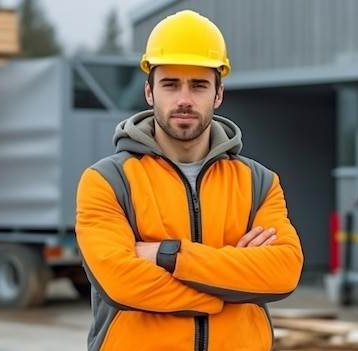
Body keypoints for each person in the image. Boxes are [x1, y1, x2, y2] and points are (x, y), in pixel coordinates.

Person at [75, 9, 303, 351]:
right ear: (150, 92)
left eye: (198, 85)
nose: (184, 99)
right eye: (170, 84)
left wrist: (168, 257)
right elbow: (120, 283)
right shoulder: (107, 181)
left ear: (218, 93)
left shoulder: (258, 183)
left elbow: (282, 272)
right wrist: (227, 289)